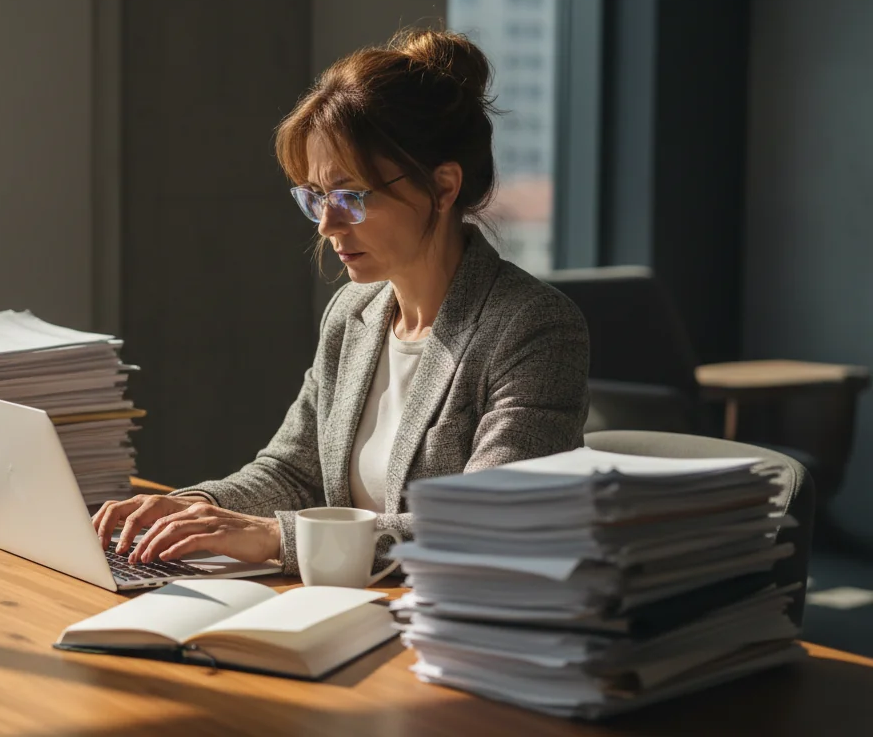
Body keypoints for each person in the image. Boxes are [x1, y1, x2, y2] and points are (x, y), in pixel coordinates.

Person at [92, 28, 590, 574]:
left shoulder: (533, 327)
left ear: (444, 188)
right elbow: (293, 472)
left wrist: (274, 538)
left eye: (351, 196)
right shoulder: (354, 315)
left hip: (442, 633)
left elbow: (487, 523)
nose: (328, 224)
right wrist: (195, 508)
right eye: (315, 197)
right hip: (341, 608)